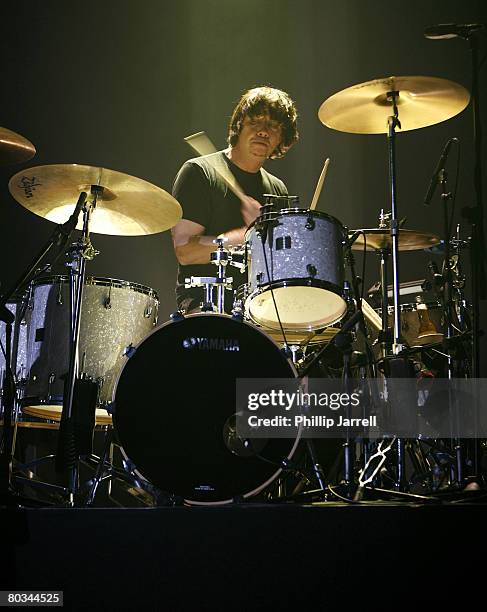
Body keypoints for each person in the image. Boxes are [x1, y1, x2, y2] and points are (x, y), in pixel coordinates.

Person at [171, 86, 299, 314]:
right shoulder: (200, 172)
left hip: (262, 310)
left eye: (273, 126)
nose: (263, 131)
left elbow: (277, 265)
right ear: (238, 127)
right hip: (207, 305)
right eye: (255, 122)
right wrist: (243, 237)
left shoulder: (278, 190)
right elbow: (185, 252)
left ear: (282, 138)